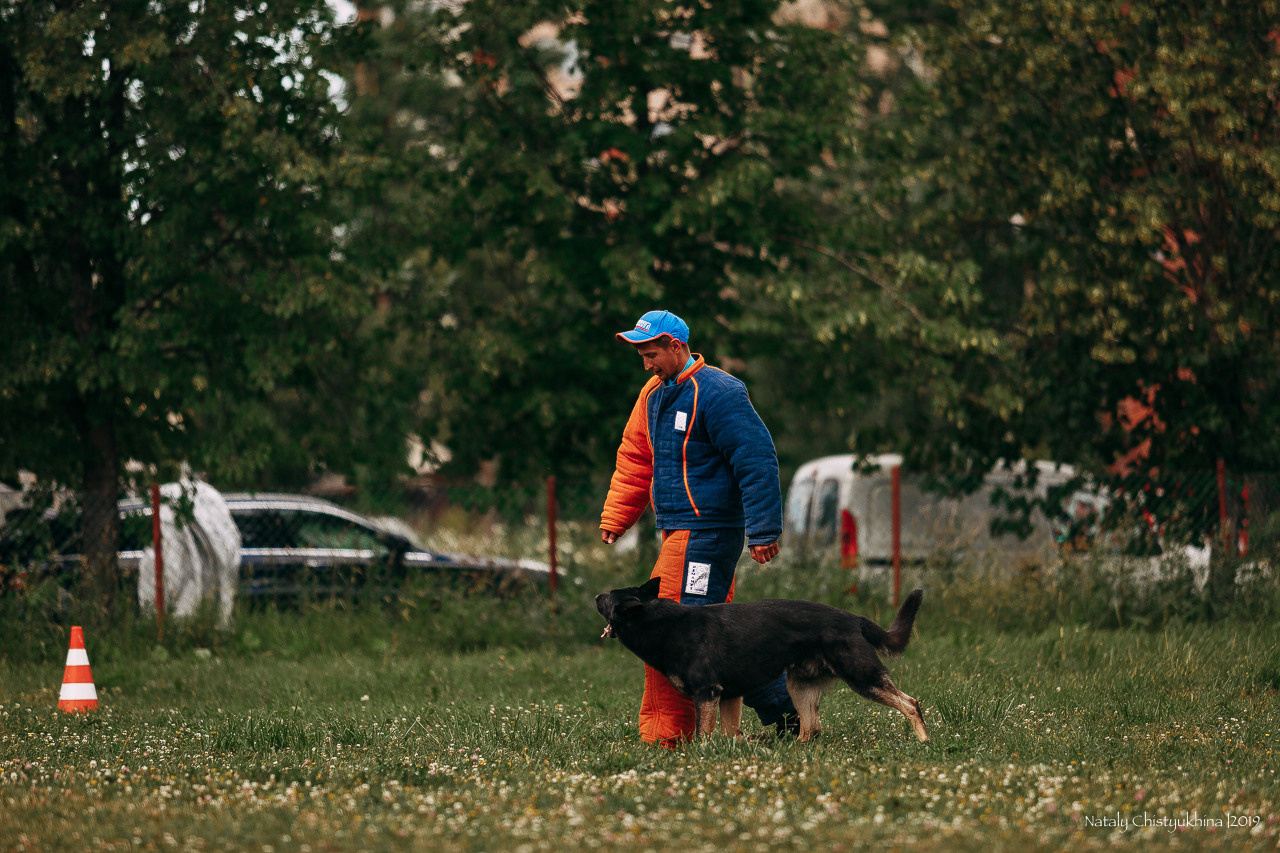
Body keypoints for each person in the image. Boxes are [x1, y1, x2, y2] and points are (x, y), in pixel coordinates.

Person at [600, 309, 798, 746]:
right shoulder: (653, 394)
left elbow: (756, 459)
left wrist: (763, 530)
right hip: (677, 532)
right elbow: (635, 457)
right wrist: (618, 515)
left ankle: (667, 736)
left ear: (676, 345)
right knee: (717, 640)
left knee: (675, 635)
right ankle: (788, 715)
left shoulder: (720, 392)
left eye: (652, 354)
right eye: (641, 356)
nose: (646, 364)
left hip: (709, 533)